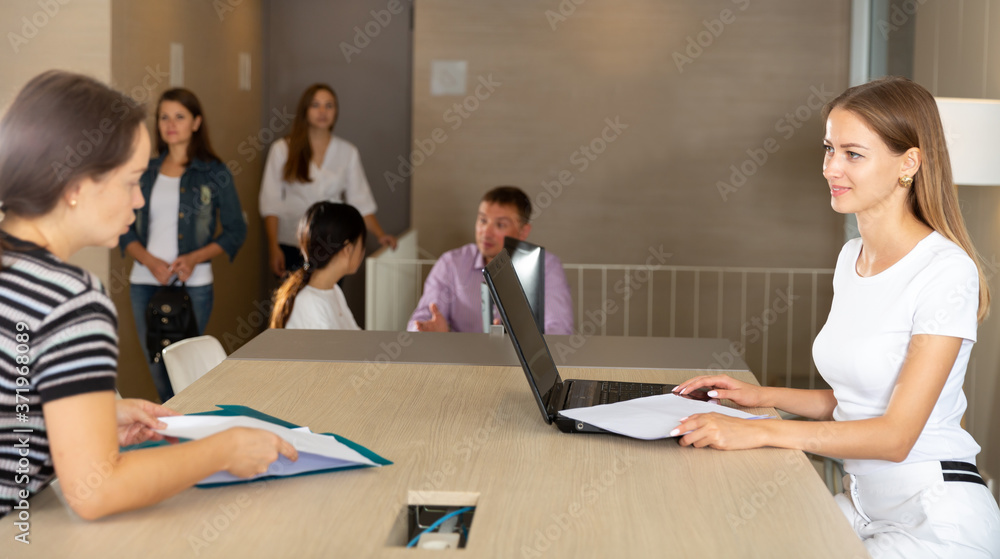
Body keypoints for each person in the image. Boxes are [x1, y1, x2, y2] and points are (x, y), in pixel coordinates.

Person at [671, 76, 1000, 557]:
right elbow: (856, 402)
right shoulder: (852, 257)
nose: (831, 168)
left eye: (853, 154)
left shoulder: (946, 271)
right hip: (862, 505)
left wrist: (762, 430)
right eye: (829, 149)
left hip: (934, 518)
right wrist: (759, 397)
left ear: (908, 163)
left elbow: (894, 436)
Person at [0, 71, 296, 520]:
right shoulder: (72, 301)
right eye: (131, 181)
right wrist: (223, 449)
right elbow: (95, 490)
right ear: (77, 185)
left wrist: (89, 418)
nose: (139, 201)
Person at [119, 88, 247, 403]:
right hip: (145, 284)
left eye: (179, 116)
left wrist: (194, 258)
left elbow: (235, 230)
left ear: (196, 122)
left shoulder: (214, 172)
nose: (170, 123)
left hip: (194, 285)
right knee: (159, 370)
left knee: (185, 374)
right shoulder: (143, 171)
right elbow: (122, 228)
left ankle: (189, 437)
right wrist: (149, 261)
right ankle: (175, 438)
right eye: (164, 117)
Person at [259, 83, 395, 278]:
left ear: (336, 111)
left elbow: (360, 202)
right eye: (315, 105)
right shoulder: (282, 149)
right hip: (292, 243)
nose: (322, 111)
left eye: (329, 105)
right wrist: (273, 248)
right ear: (304, 110)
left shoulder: (347, 152)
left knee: (328, 301)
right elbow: (271, 203)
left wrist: (381, 235)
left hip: (333, 245)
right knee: (294, 303)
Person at [408, 186, 574, 334]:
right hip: (463, 362)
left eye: (500, 225)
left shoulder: (546, 267)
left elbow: (559, 328)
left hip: (518, 364)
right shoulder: (451, 263)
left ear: (523, 231)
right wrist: (426, 331)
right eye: (482, 220)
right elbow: (423, 318)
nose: (486, 232)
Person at [269, 202, 366, 330]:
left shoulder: (334, 290)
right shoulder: (309, 303)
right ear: (347, 249)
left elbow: (356, 337)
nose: (364, 251)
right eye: (362, 243)